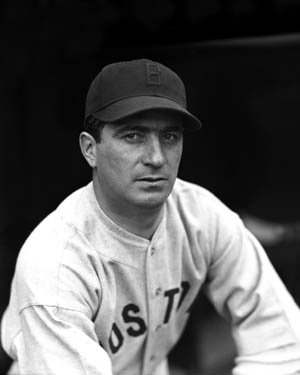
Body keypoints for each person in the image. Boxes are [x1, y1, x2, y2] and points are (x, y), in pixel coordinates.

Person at [1, 58, 300, 375]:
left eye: (169, 136)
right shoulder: (56, 264)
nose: (156, 158)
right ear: (90, 149)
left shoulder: (200, 215)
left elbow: (283, 342)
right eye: (133, 136)